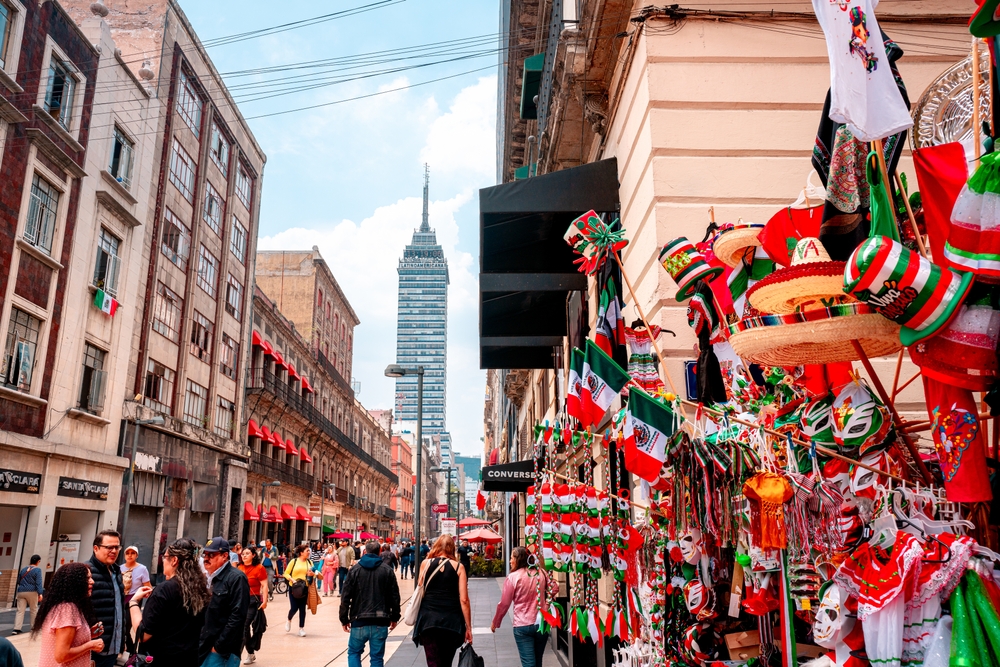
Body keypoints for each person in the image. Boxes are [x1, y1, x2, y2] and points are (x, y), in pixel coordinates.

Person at [126, 539, 210, 666]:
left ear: (174, 560)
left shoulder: (164, 590)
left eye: (165, 557)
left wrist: (133, 602)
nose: (163, 561)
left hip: (162, 659)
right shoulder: (201, 588)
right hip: (190, 659)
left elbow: (142, 635)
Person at [413, 535, 473, 667]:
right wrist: (468, 627)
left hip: (428, 620)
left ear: (436, 546)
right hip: (451, 621)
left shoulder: (425, 564)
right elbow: (464, 600)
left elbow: (420, 586)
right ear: (452, 548)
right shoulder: (459, 567)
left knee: (433, 662)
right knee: (446, 662)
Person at [340, 541, 401, 667]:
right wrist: (395, 617)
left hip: (359, 619)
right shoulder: (387, 571)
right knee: (377, 657)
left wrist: (344, 618)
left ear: (365, 552)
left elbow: (345, 596)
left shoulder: (355, 570)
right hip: (381, 619)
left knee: (354, 652)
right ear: (379, 552)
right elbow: (395, 596)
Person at [33, 562, 104, 667]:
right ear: (74, 582)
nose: (92, 582)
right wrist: (91, 645)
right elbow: (61, 655)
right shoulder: (67, 609)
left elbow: (64, 640)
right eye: (87, 579)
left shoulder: (62, 607)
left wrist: (89, 634)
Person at [200, 536, 251, 666]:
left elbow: (238, 616)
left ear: (224, 556)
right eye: (205, 554)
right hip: (203, 647)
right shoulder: (206, 578)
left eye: (211, 554)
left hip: (221, 652)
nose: (206, 558)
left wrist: (218, 647)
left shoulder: (236, 578)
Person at [491, 547, 546, 667]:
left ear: (518, 559)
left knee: (529, 663)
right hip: (541, 623)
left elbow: (505, 603)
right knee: (538, 661)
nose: (510, 561)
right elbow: (555, 588)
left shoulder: (513, 577)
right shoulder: (541, 573)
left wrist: (496, 622)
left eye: (512, 558)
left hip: (522, 625)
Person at [88, 529, 127, 667]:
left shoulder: (117, 571)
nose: (114, 551)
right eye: (109, 547)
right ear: (96, 548)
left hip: (113, 649)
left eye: (117, 547)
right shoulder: (86, 572)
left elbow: (119, 609)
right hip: (93, 649)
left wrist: (122, 640)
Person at [238, 546, 269, 664]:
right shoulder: (239, 568)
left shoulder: (259, 568)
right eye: (243, 554)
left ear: (253, 555)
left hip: (252, 601)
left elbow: (264, 585)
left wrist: (265, 601)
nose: (244, 556)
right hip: (240, 601)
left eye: (247, 553)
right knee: (241, 627)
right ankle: (250, 652)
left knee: (245, 625)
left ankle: (246, 652)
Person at [283, 545, 315, 636]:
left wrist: (313, 574)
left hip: (304, 588)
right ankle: (289, 619)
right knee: (294, 607)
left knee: (302, 609)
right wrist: (292, 580)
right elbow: (286, 573)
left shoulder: (310, 562)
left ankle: (301, 628)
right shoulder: (294, 561)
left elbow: (314, 574)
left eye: (309, 551)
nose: (309, 552)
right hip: (294, 588)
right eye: (307, 551)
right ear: (301, 552)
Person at [12, 554, 43, 634]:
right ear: (38, 561)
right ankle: (34, 628)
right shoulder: (37, 570)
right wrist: (40, 593)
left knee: (20, 611)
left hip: (21, 591)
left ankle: (16, 629)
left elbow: (18, 581)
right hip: (32, 592)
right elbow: (38, 583)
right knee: (33, 610)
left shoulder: (23, 569)